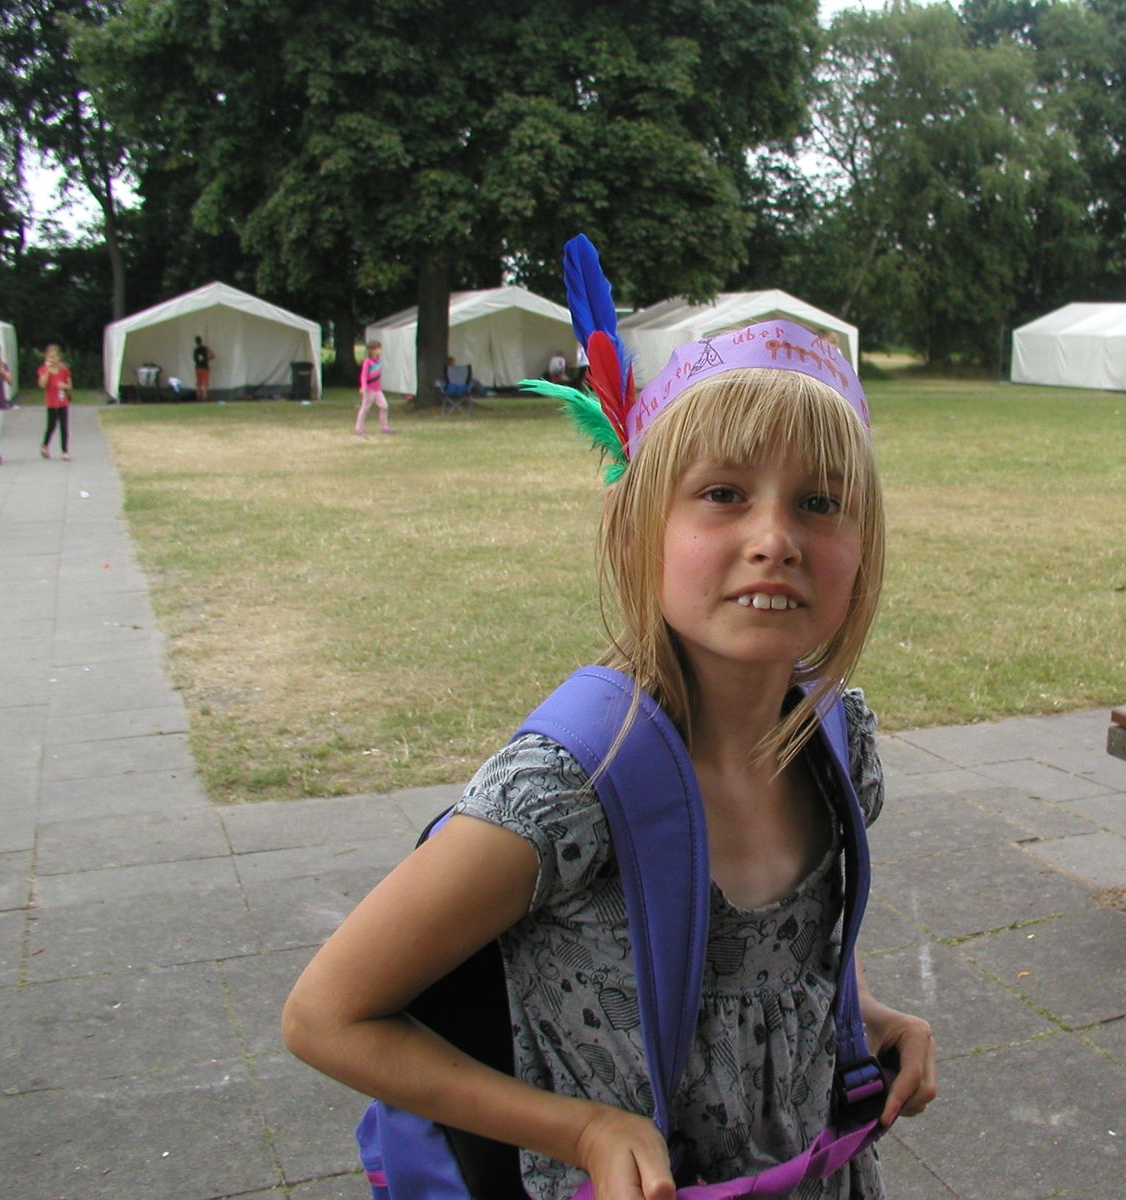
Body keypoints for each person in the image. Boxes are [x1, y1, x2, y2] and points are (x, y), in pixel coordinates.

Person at [282, 238, 935, 1200]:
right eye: (723, 494)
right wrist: (581, 1129)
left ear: (865, 545)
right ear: (638, 529)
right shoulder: (570, 791)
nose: (775, 539)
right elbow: (326, 1016)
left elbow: (796, 941)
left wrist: (860, 1010)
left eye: (819, 502)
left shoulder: (834, 740)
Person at [37, 345, 74, 460]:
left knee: (64, 426)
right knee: (51, 426)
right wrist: (47, 371)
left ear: (59, 358)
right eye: (50, 357)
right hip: (51, 403)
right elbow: (42, 385)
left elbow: (70, 385)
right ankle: (45, 445)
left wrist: (64, 386)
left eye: (54, 357)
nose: (52, 360)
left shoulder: (64, 370)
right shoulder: (43, 369)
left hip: (62, 402)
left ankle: (64, 451)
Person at [355, 340, 391, 435]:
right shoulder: (368, 362)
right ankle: (359, 428)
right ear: (372, 350)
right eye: (378, 348)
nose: (380, 350)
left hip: (377, 389)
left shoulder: (378, 361)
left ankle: (384, 427)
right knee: (365, 408)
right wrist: (363, 386)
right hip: (369, 389)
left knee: (384, 406)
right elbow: (364, 375)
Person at [193, 336, 215, 401]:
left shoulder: (195, 350)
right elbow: (213, 355)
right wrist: (207, 359)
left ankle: (198, 398)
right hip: (205, 368)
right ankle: (204, 398)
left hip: (197, 368)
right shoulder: (205, 348)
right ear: (201, 341)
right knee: (205, 383)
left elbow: (194, 359)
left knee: (198, 383)